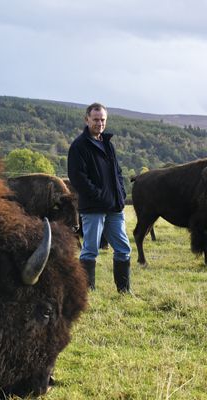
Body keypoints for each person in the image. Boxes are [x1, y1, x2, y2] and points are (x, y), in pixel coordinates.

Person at [67, 102, 131, 293]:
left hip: (114, 208)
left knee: (123, 248)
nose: (99, 123)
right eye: (95, 119)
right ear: (87, 119)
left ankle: (124, 290)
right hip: (93, 208)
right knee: (90, 250)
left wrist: (121, 193)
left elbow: (117, 173)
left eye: (102, 119)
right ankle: (88, 291)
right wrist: (99, 196)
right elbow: (78, 178)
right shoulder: (79, 146)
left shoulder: (108, 145)